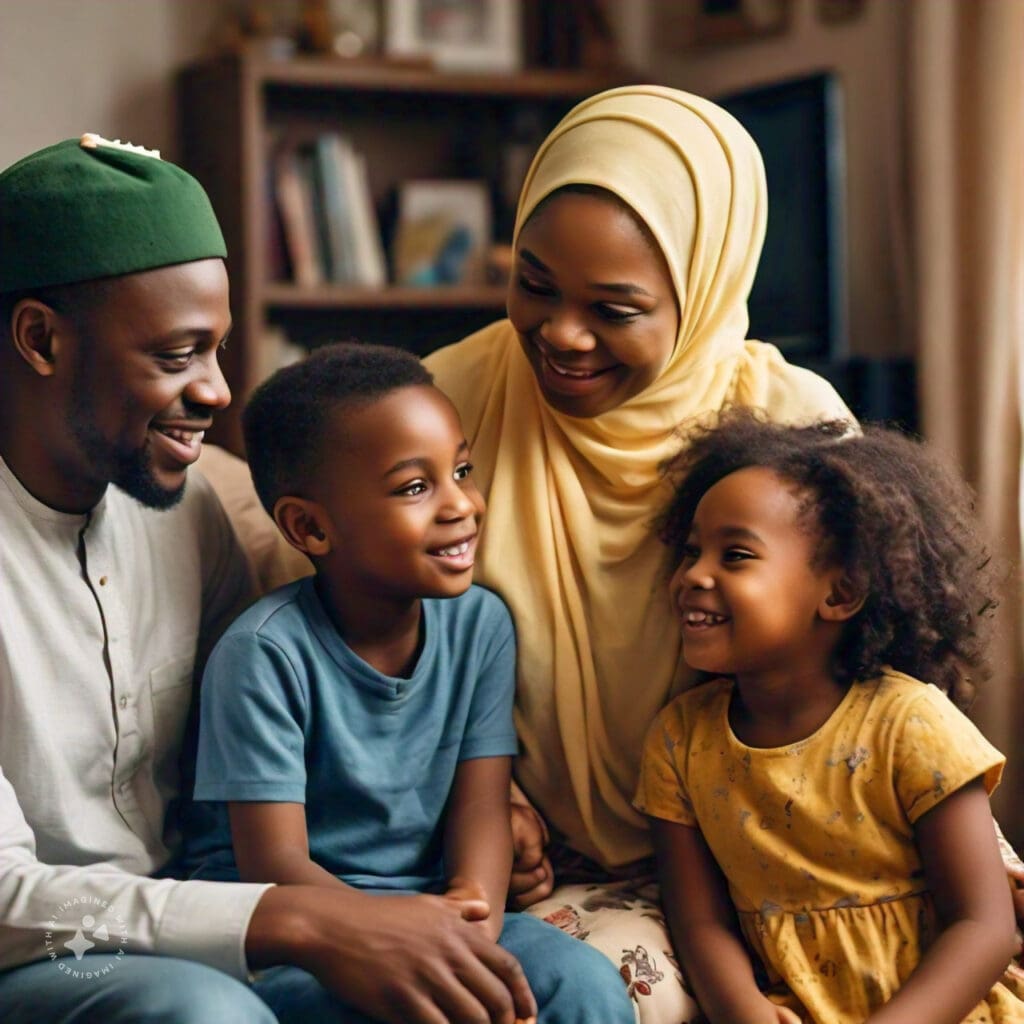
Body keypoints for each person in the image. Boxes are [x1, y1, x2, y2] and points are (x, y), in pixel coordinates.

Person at [421, 84, 1024, 1021]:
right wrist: (466, 802)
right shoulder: (446, 405)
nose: (560, 335)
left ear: (703, 290)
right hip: (533, 852)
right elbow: (355, 634)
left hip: (813, 840)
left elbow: (882, 700)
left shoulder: (795, 433)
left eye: (614, 308)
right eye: (534, 285)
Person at [0, 135, 564, 1024]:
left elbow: (298, 710)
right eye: (177, 354)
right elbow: (5, 901)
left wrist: (490, 810)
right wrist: (299, 918)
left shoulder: (182, 513)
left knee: (555, 980)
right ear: (40, 339)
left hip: (216, 917)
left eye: (218, 351)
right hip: (55, 953)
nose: (220, 392)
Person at [183, 341, 636, 1024]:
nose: (461, 504)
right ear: (310, 527)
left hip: (434, 906)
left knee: (584, 985)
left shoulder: (481, 624)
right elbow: (273, 864)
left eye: (461, 469)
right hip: (297, 928)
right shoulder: (262, 654)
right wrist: (401, 943)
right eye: (415, 487)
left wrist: (472, 929)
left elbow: (480, 807)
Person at [634, 409, 1023, 1022]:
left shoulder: (910, 724)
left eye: (734, 555)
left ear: (839, 593)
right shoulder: (680, 741)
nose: (692, 577)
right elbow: (699, 919)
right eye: (690, 552)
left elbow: (984, 926)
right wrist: (745, 1011)